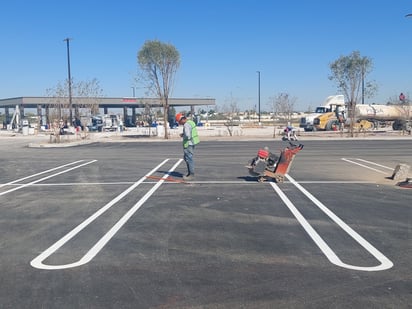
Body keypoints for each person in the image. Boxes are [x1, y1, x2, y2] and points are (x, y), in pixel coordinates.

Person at [176, 113, 200, 180]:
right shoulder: (191, 122)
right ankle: (190, 173)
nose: (179, 123)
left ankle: (191, 174)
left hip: (188, 144)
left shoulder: (186, 125)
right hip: (192, 143)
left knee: (189, 158)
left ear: (182, 119)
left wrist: (183, 135)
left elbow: (188, 135)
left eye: (179, 122)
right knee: (187, 158)